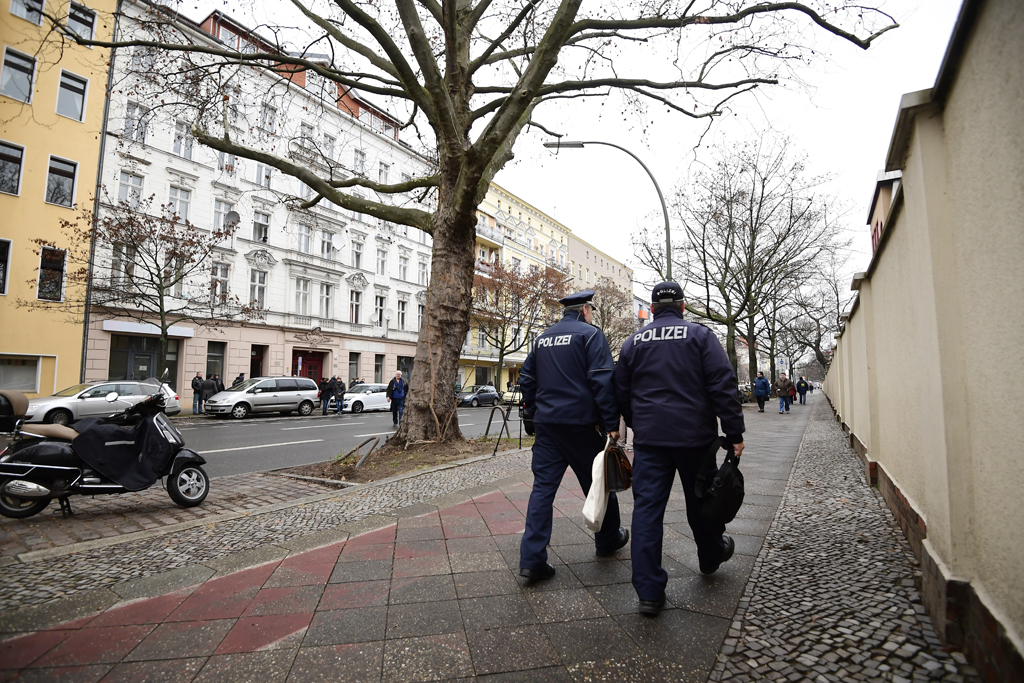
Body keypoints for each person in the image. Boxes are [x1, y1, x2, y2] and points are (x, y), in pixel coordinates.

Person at [614, 282, 745, 616]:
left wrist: (637, 422)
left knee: (646, 511)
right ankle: (711, 554)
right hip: (695, 439)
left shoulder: (633, 343)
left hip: (651, 441)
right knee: (702, 501)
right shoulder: (700, 337)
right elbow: (722, 384)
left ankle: (648, 592)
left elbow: (620, 391)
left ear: (653, 310)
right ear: (683, 307)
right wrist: (733, 432)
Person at [519, 289, 629, 582]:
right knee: (599, 481)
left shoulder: (542, 338)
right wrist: (611, 423)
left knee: (542, 490)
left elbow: (526, 378)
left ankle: (532, 559)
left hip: (548, 427)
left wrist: (535, 409)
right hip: (582, 425)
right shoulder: (591, 335)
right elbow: (602, 380)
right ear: (585, 311)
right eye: (591, 310)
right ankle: (607, 540)